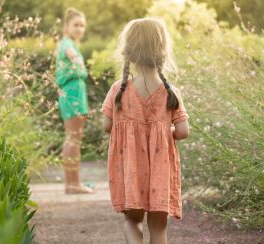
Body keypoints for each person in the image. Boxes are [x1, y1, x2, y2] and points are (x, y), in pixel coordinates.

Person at [100, 17, 190, 244]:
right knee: (159, 227)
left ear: (128, 53)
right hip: (160, 172)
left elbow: (106, 126)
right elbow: (183, 131)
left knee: (132, 221)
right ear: (162, 52)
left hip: (131, 170)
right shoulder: (171, 92)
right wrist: (161, 134)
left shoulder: (118, 91)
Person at [55, 7, 94, 194]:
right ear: (66, 26)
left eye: (82, 26)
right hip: (72, 94)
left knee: (74, 139)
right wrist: (77, 59)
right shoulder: (67, 43)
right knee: (73, 140)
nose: (79, 28)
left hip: (75, 93)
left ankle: (72, 184)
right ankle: (73, 185)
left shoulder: (69, 42)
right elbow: (71, 53)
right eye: (76, 25)